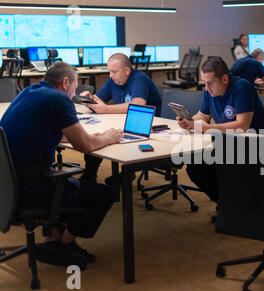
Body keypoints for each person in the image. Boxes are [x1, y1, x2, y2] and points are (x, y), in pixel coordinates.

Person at [0, 62, 123, 265]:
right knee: (105, 195)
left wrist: (89, 136)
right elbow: (84, 146)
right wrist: (106, 139)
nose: (75, 92)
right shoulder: (59, 99)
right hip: (28, 189)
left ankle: (54, 236)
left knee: (66, 184)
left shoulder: (31, 91)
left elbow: (46, 131)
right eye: (75, 86)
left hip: (8, 186)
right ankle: (62, 243)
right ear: (65, 82)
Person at [177, 57, 264, 222]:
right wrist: (190, 121)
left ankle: (236, 205)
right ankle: (229, 204)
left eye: (210, 83)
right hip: (228, 144)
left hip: (256, 146)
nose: (207, 88)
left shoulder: (242, 87)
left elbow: (243, 126)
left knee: (216, 166)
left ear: (225, 79)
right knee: (195, 168)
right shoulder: (210, 90)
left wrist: (205, 128)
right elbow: (203, 116)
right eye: (204, 83)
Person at [80, 53, 161, 182]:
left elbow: (139, 104)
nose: (110, 76)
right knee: (98, 135)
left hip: (145, 127)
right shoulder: (113, 80)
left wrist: (106, 109)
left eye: (114, 72)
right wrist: (91, 98)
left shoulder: (139, 78)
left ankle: (127, 172)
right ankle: (89, 175)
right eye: (109, 71)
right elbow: (100, 100)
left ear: (127, 71)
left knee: (108, 136)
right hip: (122, 123)